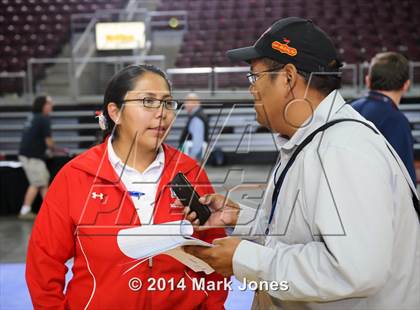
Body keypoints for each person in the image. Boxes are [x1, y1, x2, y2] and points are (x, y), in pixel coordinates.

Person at [183, 17, 420, 309]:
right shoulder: (311, 138)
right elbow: (299, 231)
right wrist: (239, 219)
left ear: (288, 78)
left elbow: (355, 270)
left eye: (254, 77)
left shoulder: (343, 150)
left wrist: (243, 258)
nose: (251, 89)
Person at [26, 65, 228, 309]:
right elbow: (44, 262)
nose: (162, 113)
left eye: (167, 103)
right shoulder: (76, 176)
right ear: (115, 112)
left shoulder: (190, 171)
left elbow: (217, 253)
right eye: (148, 101)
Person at [352, 52, 417, 184]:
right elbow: (405, 181)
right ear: (406, 85)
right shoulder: (396, 120)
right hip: (375, 199)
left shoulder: (348, 108)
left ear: (368, 81)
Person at [18, 95, 55, 220]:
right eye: (48, 104)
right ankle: (25, 210)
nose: (51, 106)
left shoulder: (32, 117)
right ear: (42, 106)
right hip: (32, 157)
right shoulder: (43, 119)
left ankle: (49, 210)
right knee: (37, 183)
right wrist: (53, 148)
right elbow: (49, 142)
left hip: (29, 155)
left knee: (43, 182)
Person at [178, 93, 209, 160]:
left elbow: (197, 141)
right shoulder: (197, 115)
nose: (185, 105)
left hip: (193, 157)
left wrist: (192, 158)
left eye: (186, 102)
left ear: (193, 103)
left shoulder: (197, 118)